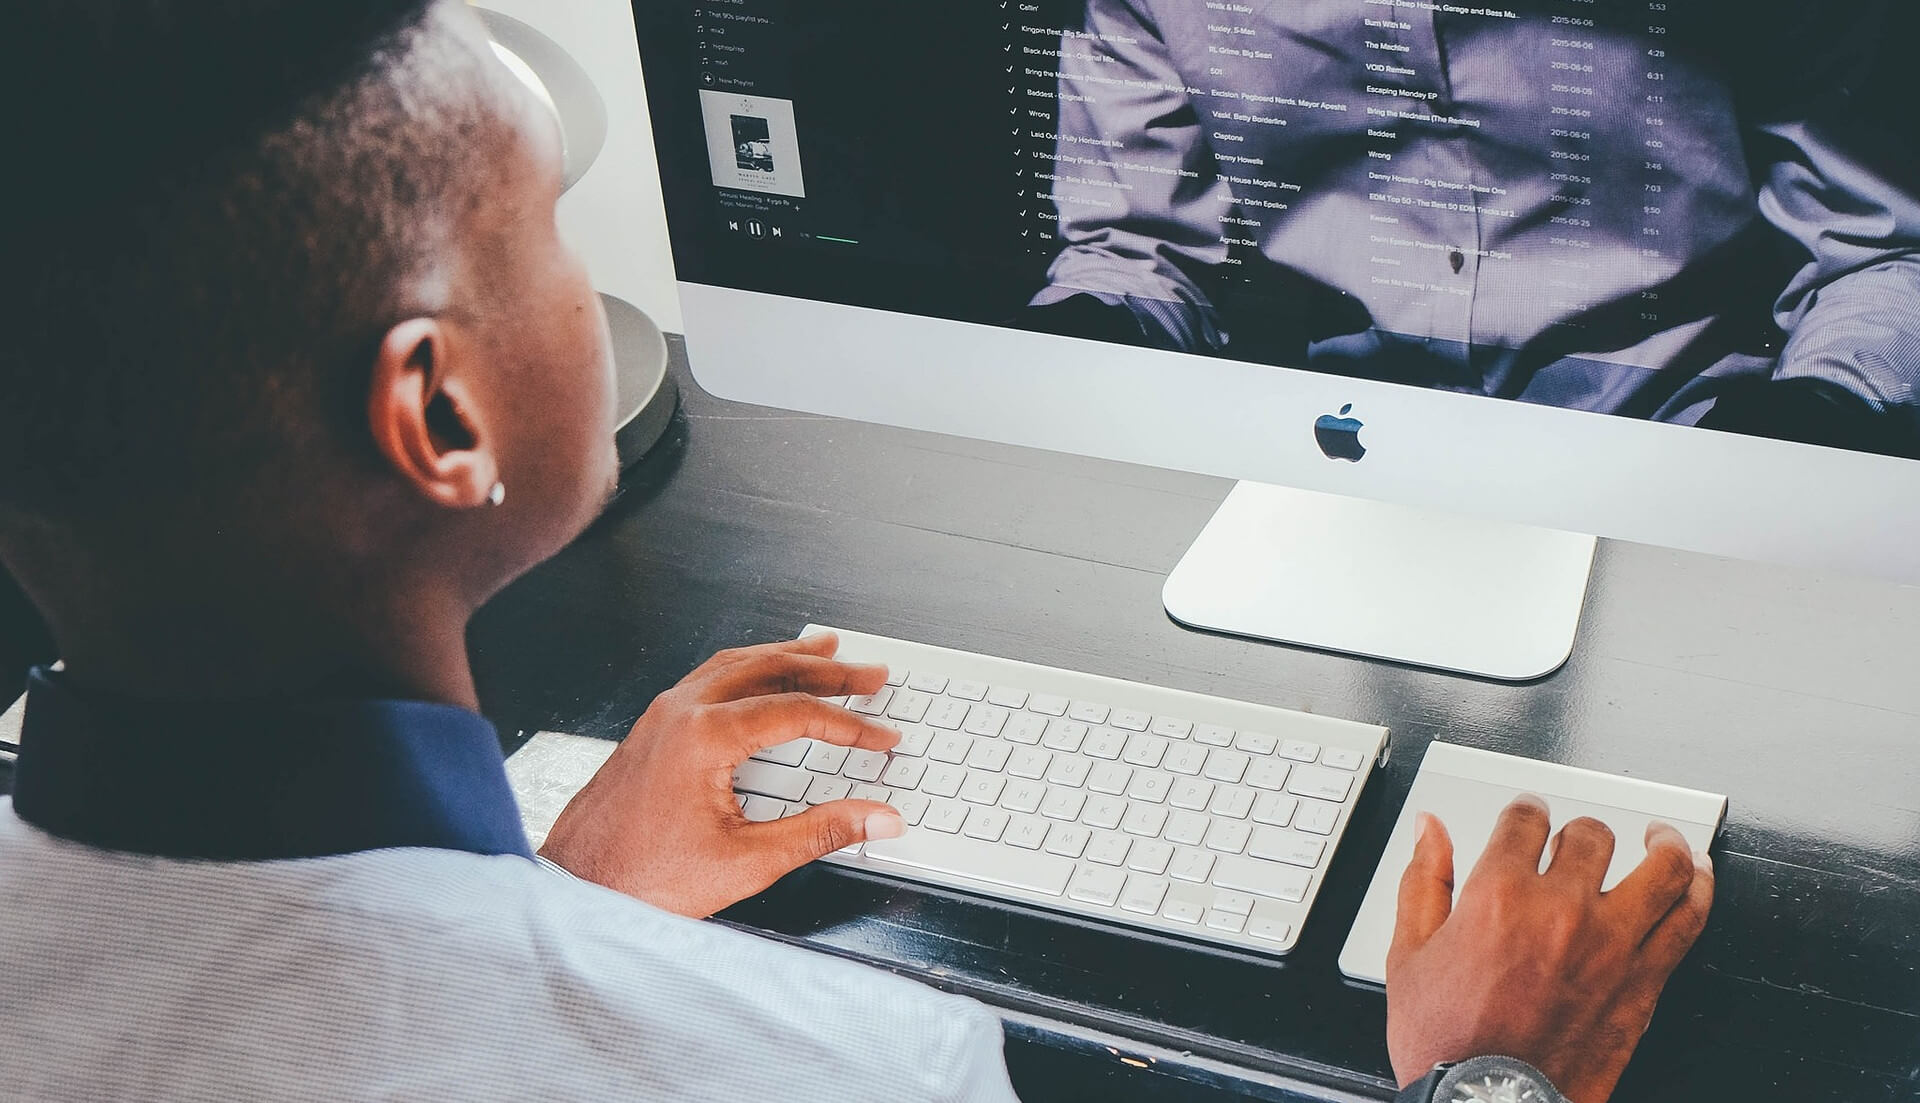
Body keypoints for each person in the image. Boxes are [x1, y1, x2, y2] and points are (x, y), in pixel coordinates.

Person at [0, 2, 1711, 1100]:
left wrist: (562, 896)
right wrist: (1496, 1085)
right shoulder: (821, 1065)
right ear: (438, 416)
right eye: (538, 231)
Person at [1027, 0, 1920, 455]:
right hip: (1332, 453)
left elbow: (1877, 254)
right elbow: (1136, 252)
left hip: (1685, 456)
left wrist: (1817, 419)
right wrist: (1058, 351)